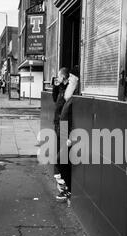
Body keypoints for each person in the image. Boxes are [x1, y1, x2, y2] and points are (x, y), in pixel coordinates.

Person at [52, 67, 79, 202]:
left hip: (66, 131)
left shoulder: (73, 96)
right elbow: (56, 101)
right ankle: (64, 187)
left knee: (61, 159)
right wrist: (56, 86)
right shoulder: (65, 93)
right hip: (60, 127)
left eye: (71, 79)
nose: (69, 81)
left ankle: (67, 189)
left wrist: (69, 136)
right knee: (60, 160)